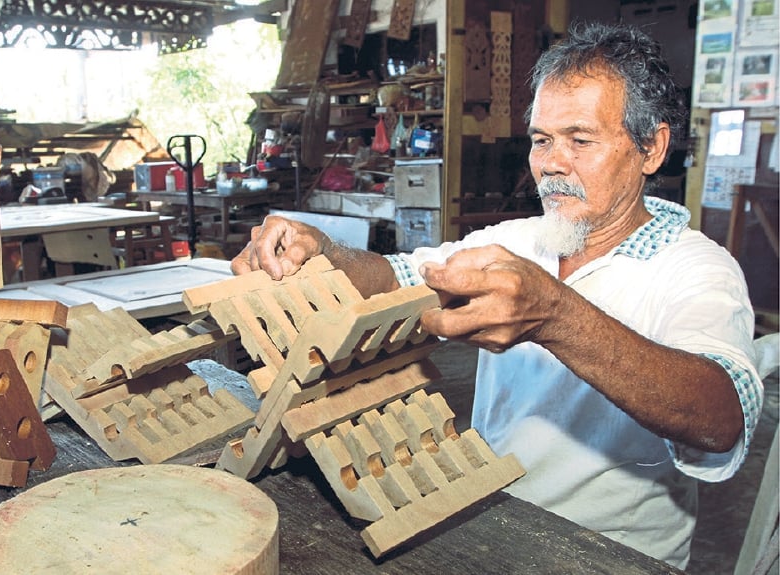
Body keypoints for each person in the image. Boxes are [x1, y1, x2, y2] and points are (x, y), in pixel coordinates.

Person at [231, 21, 763, 569]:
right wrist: (323, 251)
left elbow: (722, 419)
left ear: (651, 147)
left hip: (609, 554)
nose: (552, 163)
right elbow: (398, 278)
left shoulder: (695, 267)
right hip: (489, 512)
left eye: (580, 140)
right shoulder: (516, 241)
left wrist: (556, 315)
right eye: (541, 140)